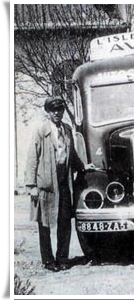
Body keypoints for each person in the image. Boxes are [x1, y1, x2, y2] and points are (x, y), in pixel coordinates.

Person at [25, 96, 93, 272]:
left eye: (60, 109)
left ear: (63, 111)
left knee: (64, 222)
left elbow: (73, 155)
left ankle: (62, 259)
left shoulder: (67, 129)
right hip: (45, 185)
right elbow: (32, 158)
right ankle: (48, 261)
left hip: (64, 183)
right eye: (53, 110)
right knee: (45, 224)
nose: (57, 113)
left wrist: (84, 166)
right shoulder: (41, 130)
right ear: (48, 112)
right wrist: (31, 186)